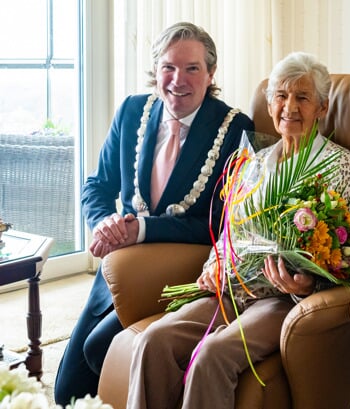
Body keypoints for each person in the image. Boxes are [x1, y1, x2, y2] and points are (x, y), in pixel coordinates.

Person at [126, 51, 350, 409]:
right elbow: (229, 230)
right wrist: (213, 264)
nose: (289, 107)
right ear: (270, 104)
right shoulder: (254, 162)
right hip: (230, 289)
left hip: (284, 299)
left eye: (302, 97)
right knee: (153, 341)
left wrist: (308, 284)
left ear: (323, 108)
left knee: (213, 355)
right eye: (281, 96)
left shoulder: (338, 165)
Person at [54, 22, 254, 405]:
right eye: (168, 67)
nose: (178, 80)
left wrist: (142, 229)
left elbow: (217, 225)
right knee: (66, 390)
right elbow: (97, 186)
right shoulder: (132, 111)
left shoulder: (234, 129)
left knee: (100, 349)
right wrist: (105, 223)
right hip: (119, 268)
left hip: (177, 272)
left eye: (192, 69)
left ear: (211, 74)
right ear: (155, 70)